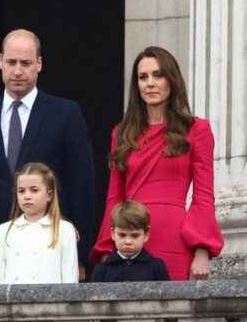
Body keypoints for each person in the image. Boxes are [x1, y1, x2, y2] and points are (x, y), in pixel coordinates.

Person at [0, 28, 95, 282]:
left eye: (25, 63)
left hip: (51, 251)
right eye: (11, 62)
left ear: (39, 64)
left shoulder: (66, 114)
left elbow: (82, 187)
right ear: (0, 62)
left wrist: (81, 256)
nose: (17, 71)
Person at [91, 46, 223, 280]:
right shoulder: (121, 133)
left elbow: (204, 194)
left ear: (172, 80)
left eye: (158, 75)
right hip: (131, 236)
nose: (150, 83)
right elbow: (115, 196)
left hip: (175, 240)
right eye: (143, 77)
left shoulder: (197, 129)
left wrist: (202, 250)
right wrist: (107, 246)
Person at [0, 162, 78, 284]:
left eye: (34, 190)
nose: (27, 196)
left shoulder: (64, 229)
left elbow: (70, 279)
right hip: (13, 302)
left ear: (49, 195)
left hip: (52, 302)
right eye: (21, 191)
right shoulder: (4, 230)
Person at [92, 200, 170, 282]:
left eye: (135, 236)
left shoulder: (156, 267)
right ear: (113, 234)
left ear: (146, 235)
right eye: (122, 235)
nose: (128, 242)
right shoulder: (102, 270)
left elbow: (168, 294)